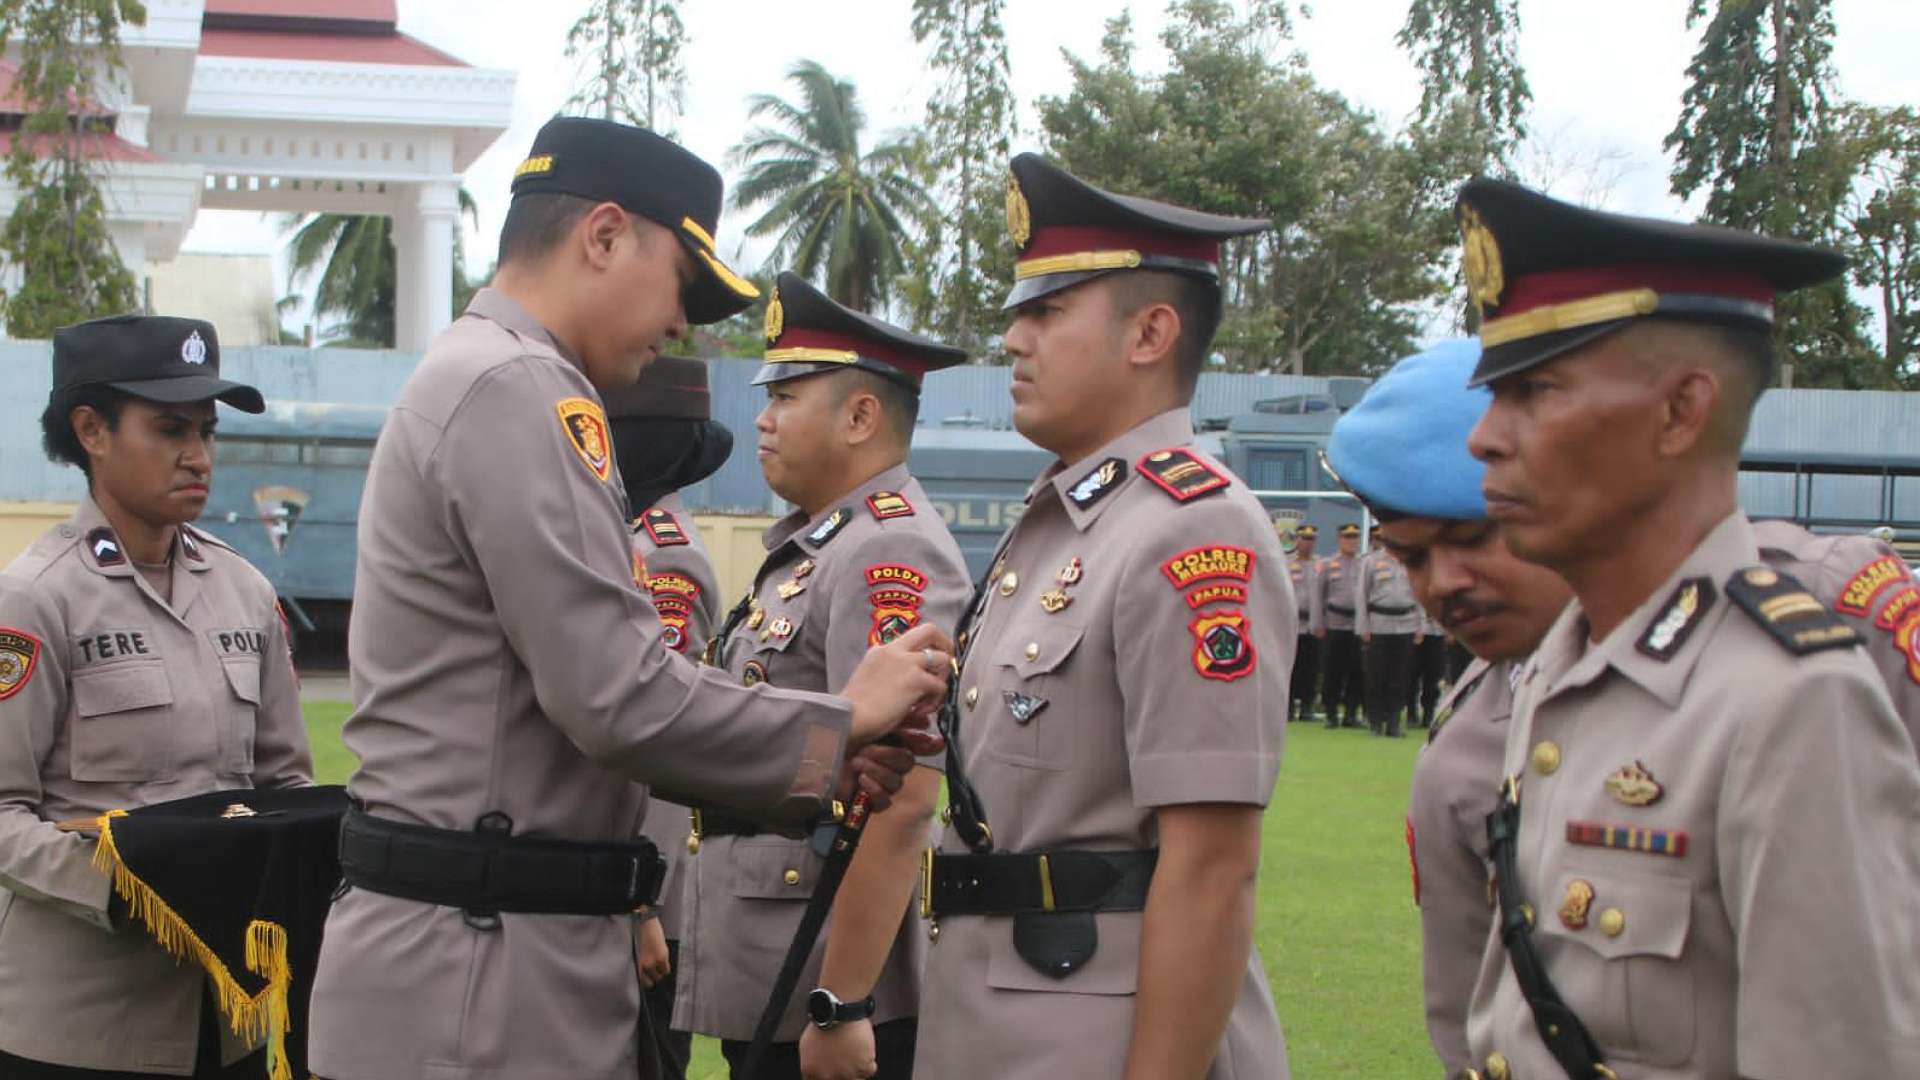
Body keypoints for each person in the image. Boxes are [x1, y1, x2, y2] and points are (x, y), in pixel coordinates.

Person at [307, 117, 951, 1080]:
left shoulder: (485, 374)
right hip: (480, 978)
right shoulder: (521, 386)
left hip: (489, 952)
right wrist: (845, 718)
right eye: (680, 285)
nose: (682, 326)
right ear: (603, 236)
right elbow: (618, 694)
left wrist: (818, 759)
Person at [1458, 178, 1920, 1078]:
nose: (1484, 437)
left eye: (1534, 390)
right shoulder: (1561, 672)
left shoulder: (1791, 702)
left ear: (1681, 411)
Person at [916, 153, 1290, 1080]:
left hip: (1093, 1030)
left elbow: (1211, 866)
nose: (1013, 338)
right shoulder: (1064, 526)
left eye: (1046, 311)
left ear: (1150, 333)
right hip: (991, 1012)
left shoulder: (1193, 528)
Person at [673, 272, 971, 1080]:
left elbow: (900, 795)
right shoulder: (818, 545)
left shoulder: (886, 550)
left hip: (820, 964)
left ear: (861, 415)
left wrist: (842, 1000)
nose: (762, 419)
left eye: (785, 397)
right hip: (772, 948)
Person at [0, 316, 313, 1077]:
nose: (198, 455)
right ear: (91, 430)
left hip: (227, 1019)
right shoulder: (36, 600)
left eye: (207, 431)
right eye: (170, 429)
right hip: (82, 1030)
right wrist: (140, 887)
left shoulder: (244, 590)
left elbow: (286, 785)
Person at [1325, 337, 1573, 1078]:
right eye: (1410, 557)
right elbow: (1470, 1020)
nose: (1444, 584)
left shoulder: (1804, 643)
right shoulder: (1466, 741)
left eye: (1471, 537)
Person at [605, 355, 733, 1080]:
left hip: (643, 885)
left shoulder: (663, 557)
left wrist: (641, 902)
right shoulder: (627, 535)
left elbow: (652, 731)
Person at [1355, 530, 1420, 737]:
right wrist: (1363, 626)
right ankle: (1375, 720)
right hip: (1378, 624)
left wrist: (1421, 626)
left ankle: (1393, 721)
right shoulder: (1371, 562)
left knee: (1400, 676)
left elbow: (1419, 593)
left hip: (1406, 623)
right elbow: (1361, 594)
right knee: (1376, 675)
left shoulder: (1410, 559)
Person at [1311, 523, 1365, 728]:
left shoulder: (1364, 564)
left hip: (1356, 625)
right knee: (1332, 671)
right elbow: (1318, 596)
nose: (1352, 542)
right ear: (1339, 540)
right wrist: (1318, 623)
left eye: (1355, 538)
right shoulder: (1328, 564)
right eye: (1347, 537)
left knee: (1357, 672)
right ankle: (1331, 713)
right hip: (1333, 624)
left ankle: (1351, 713)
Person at [1285, 524, 1320, 721]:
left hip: (1313, 624)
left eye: (1311, 539)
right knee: (1291, 666)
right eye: (1304, 539)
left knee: (1311, 669)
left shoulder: (1320, 565)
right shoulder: (1286, 564)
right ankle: (1288, 708)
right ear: (1296, 541)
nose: (1308, 543)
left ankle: (1307, 708)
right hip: (1292, 623)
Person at [1407, 604, 1449, 729]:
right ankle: (1411, 713)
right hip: (1414, 632)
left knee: (1433, 676)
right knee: (1411, 674)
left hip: (1437, 632)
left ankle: (1428, 714)